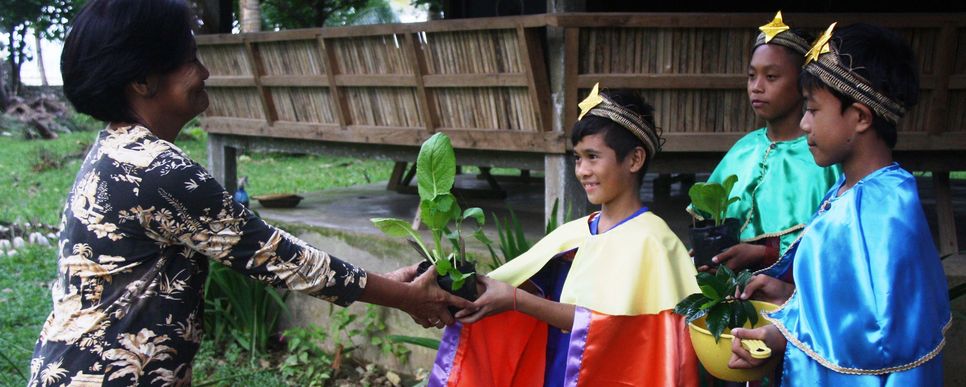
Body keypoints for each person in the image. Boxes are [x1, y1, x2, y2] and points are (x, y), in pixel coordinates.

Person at [27, 0, 471, 385]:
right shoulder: (155, 170)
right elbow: (277, 259)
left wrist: (384, 285)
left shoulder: (116, 150)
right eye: (189, 60)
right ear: (142, 80)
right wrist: (408, 297)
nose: (204, 72)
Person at [426, 84, 700, 386]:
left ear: (634, 159)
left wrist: (516, 300)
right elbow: (535, 287)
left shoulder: (654, 243)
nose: (582, 170)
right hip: (556, 371)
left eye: (593, 157)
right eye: (578, 158)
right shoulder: (576, 232)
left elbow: (612, 330)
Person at [729, 23, 951, 385]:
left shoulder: (884, 208)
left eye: (813, 110)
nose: (803, 124)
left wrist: (783, 335)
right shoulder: (847, 191)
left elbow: (879, 331)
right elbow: (853, 299)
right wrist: (790, 293)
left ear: (861, 117)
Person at [688, 12, 841, 274]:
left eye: (771, 77)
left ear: (801, 83)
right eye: (751, 76)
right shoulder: (743, 149)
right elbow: (706, 218)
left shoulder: (823, 159)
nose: (756, 87)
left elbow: (832, 249)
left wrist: (764, 253)